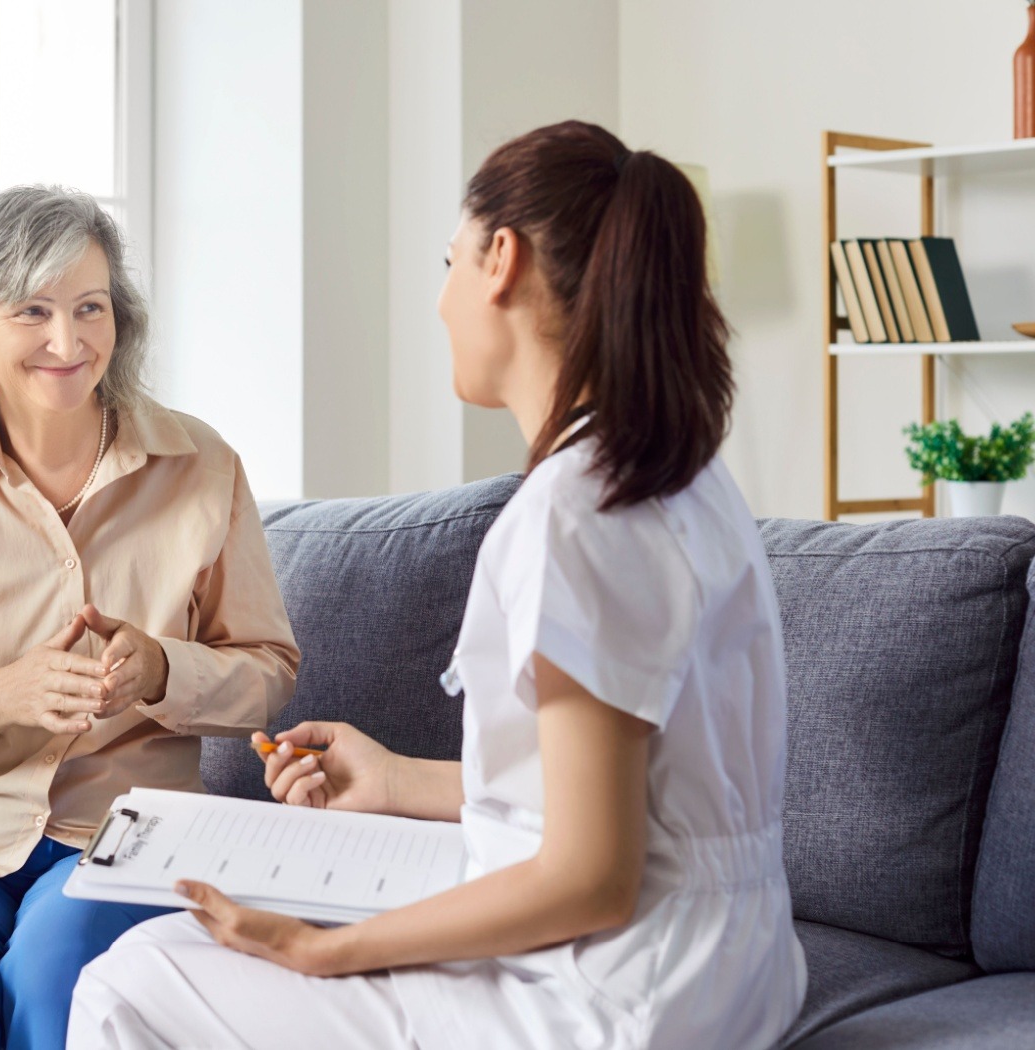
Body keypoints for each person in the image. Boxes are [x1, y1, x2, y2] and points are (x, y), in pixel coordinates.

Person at [69, 121, 807, 1049]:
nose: (442, 295)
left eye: (448, 258)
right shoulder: (687, 482)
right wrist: (394, 778)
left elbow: (591, 875)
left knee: (131, 980)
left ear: (501, 259)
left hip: (610, 1003)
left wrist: (325, 950)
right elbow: (617, 799)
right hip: (730, 976)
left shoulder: (575, 514)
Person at [0, 185, 300, 1050]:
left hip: (127, 836)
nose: (68, 341)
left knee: (58, 974)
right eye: (32, 311)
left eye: (91, 308)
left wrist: (163, 669)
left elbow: (268, 677)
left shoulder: (203, 466)